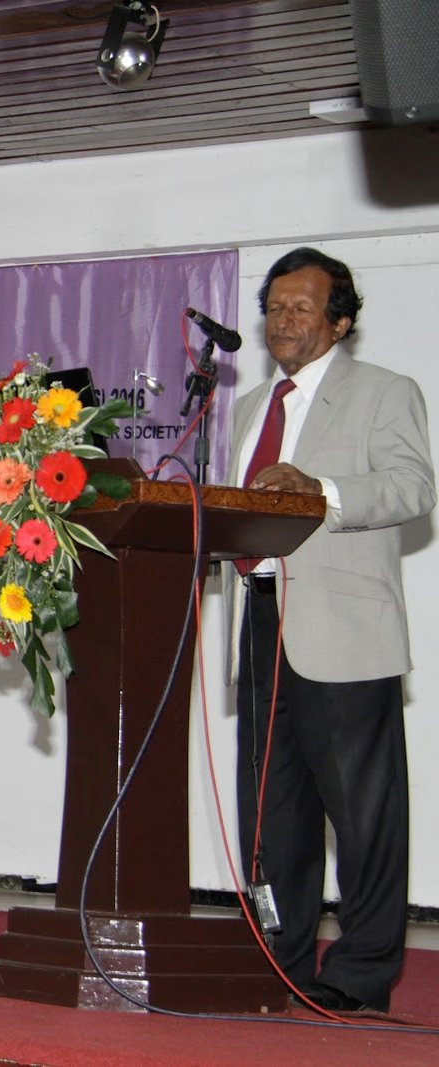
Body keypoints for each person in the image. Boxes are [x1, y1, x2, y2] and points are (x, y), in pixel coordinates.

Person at [229, 248, 434, 1013]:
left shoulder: (383, 391)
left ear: (340, 322)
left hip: (344, 628)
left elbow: (414, 487)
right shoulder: (249, 407)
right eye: (274, 307)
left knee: (364, 814)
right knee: (271, 813)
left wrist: (321, 490)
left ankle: (360, 972)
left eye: (302, 308)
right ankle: (277, 961)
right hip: (259, 619)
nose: (283, 320)